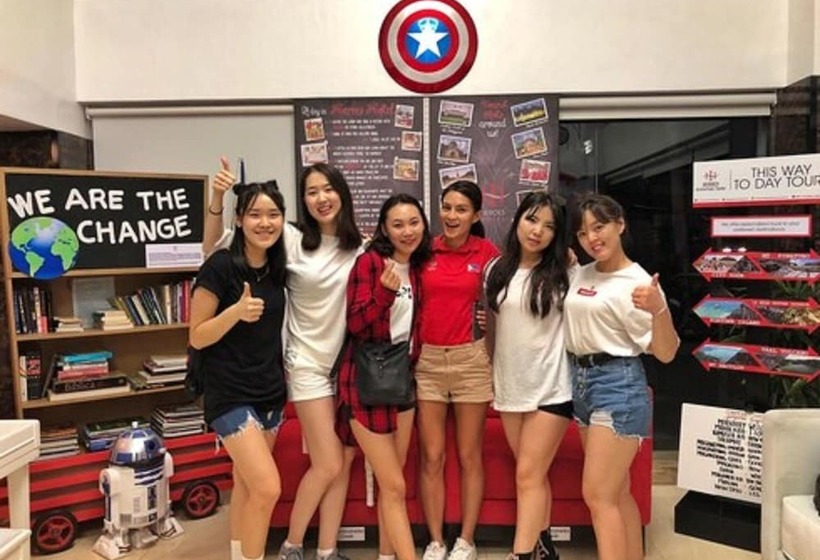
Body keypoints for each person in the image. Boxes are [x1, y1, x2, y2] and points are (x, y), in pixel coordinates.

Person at [203, 159, 363, 560]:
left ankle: (325, 550)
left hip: (344, 367)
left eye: (328, 189)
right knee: (328, 463)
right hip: (305, 363)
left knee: (340, 460)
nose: (321, 198)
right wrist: (217, 199)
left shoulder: (359, 248)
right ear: (303, 201)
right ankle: (292, 545)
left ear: (342, 193)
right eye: (311, 192)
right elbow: (214, 249)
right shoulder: (290, 238)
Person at [563, 193, 679, 560]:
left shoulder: (637, 281)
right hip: (581, 382)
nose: (592, 238)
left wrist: (659, 309)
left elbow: (666, 352)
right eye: (583, 233)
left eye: (599, 227)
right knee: (617, 491)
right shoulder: (581, 272)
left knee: (598, 495)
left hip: (618, 384)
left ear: (620, 224)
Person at [189, 180, 288, 560]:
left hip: (270, 390)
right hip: (229, 394)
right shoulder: (220, 266)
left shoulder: (277, 267)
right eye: (255, 215)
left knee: (246, 484)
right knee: (267, 488)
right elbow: (197, 336)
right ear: (239, 220)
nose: (265, 223)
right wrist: (235, 313)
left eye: (273, 214)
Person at [337, 194, 432, 560]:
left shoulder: (418, 267)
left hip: (402, 379)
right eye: (398, 224)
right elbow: (355, 324)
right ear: (384, 229)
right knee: (394, 485)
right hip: (365, 381)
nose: (407, 231)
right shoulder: (370, 263)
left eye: (414, 222)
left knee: (392, 484)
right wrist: (383, 294)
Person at [484, 191, 572, 560]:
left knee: (527, 475)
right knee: (532, 474)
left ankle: (519, 554)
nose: (537, 231)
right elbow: (494, 329)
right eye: (532, 219)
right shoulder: (496, 270)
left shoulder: (565, 273)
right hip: (511, 386)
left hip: (553, 387)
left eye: (548, 226)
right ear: (518, 219)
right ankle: (544, 547)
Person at [415, 181, 499, 560]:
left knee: (469, 455)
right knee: (432, 456)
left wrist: (490, 318)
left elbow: (510, 294)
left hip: (471, 362)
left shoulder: (487, 253)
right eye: (446, 207)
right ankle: (435, 541)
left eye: (461, 209)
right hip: (428, 362)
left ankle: (466, 540)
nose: (451, 216)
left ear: (476, 215)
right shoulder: (424, 250)